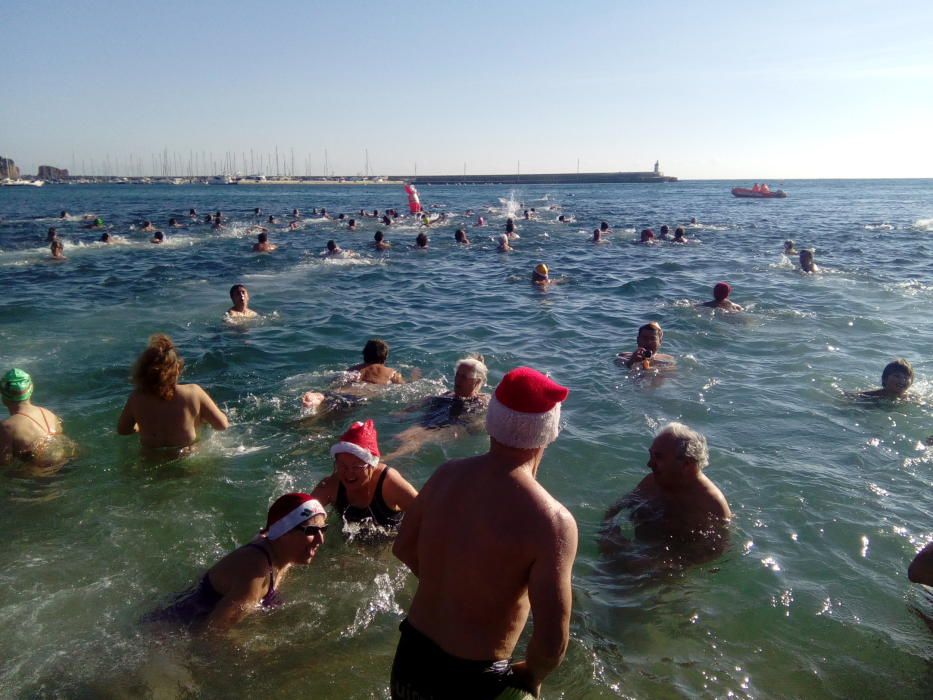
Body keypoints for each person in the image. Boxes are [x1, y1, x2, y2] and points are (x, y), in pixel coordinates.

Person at [391, 366, 577, 699]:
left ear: (492, 421)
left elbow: (403, 547)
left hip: (412, 656)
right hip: (473, 677)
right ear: (549, 432)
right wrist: (532, 675)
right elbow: (551, 644)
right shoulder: (552, 521)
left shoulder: (445, 475)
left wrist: (448, 586)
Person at [149, 493, 328, 632]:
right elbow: (212, 634)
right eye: (312, 531)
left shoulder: (284, 555)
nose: (320, 540)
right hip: (164, 634)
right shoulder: (256, 572)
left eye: (323, 530)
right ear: (284, 532)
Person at [600, 422, 731, 549]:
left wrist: (664, 564)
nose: (649, 464)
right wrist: (609, 533)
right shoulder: (652, 482)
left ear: (687, 464)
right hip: (638, 549)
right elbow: (617, 508)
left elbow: (717, 549)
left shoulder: (712, 504)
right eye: (651, 455)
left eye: (658, 457)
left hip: (668, 563)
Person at [117, 334, 229, 449]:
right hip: (187, 459)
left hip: (150, 459)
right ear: (176, 369)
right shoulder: (192, 392)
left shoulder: (136, 397)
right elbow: (222, 425)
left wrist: (140, 426)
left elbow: (123, 430)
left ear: (143, 371)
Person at [309, 420, 418, 535]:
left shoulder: (388, 483)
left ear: (371, 465)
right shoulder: (332, 485)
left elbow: (425, 513)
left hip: (392, 543)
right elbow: (302, 513)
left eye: (356, 467)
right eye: (343, 466)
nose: (349, 474)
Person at [384, 357, 490, 461]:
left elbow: (479, 424)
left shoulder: (482, 401)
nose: (458, 380)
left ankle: (384, 460)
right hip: (435, 418)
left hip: (453, 426)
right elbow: (428, 400)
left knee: (418, 439)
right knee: (401, 436)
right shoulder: (449, 394)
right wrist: (405, 411)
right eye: (457, 374)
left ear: (476, 382)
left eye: (464, 377)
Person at [0, 368, 72, 466]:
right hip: (67, 463)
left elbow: (4, 462)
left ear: (3, 394)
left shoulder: (7, 427)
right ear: (31, 390)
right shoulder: (49, 414)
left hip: (39, 475)